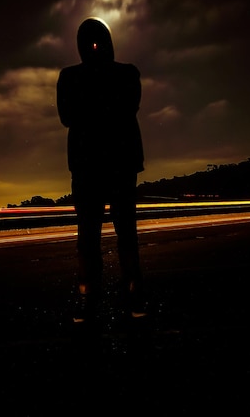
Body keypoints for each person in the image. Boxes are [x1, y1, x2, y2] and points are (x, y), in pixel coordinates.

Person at [56, 17, 147, 323]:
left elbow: (69, 116)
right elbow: (126, 106)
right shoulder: (125, 74)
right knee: (117, 234)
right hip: (114, 163)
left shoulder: (71, 78)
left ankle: (95, 297)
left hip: (91, 164)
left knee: (95, 234)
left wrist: (90, 105)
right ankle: (124, 293)